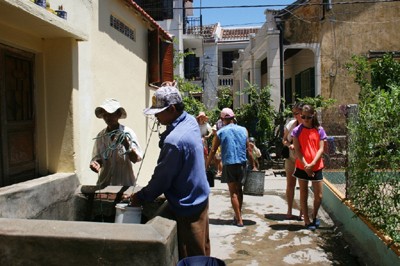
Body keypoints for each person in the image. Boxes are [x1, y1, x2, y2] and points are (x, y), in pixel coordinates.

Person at [129, 85, 211, 260]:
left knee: (193, 257)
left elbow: (161, 180)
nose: (156, 117)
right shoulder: (189, 121)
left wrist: (141, 197)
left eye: (158, 113)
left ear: (172, 109)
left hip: (188, 206)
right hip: (200, 195)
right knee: (203, 247)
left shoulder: (174, 142)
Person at [206, 108, 255, 227]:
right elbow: (248, 149)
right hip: (242, 163)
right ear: (233, 117)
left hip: (229, 163)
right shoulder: (244, 130)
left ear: (222, 119)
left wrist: (206, 165)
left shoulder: (221, 132)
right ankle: (238, 215)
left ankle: (238, 219)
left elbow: (213, 150)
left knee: (233, 192)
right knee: (239, 190)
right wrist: (253, 164)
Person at [90, 98, 143, 188]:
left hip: (125, 185)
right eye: (104, 114)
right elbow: (98, 159)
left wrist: (126, 144)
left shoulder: (128, 132)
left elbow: (136, 159)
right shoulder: (101, 136)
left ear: (118, 114)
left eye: (110, 114)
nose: (107, 117)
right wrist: (96, 164)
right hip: (105, 184)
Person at [292, 104, 327, 230]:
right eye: (303, 116)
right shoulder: (297, 130)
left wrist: (312, 164)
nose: (305, 119)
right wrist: (306, 165)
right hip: (302, 166)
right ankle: (306, 218)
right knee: (303, 192)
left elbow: (321, 149)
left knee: (319, 195)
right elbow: (297, 150)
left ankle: (314, 216)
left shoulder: (319, 130)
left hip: (316, 166)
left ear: (313, 116)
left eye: (308, 117)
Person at [282, 102, 304, 220]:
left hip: (303, 159)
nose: (295, 116)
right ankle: (289, 209)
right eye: (294, 113)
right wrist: (289, 144)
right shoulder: (291, 124)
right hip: (291, 158)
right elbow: (284, 140)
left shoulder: (308, 125)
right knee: (290, 184)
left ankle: (302, 211)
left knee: (302, 186)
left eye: (297, 113)